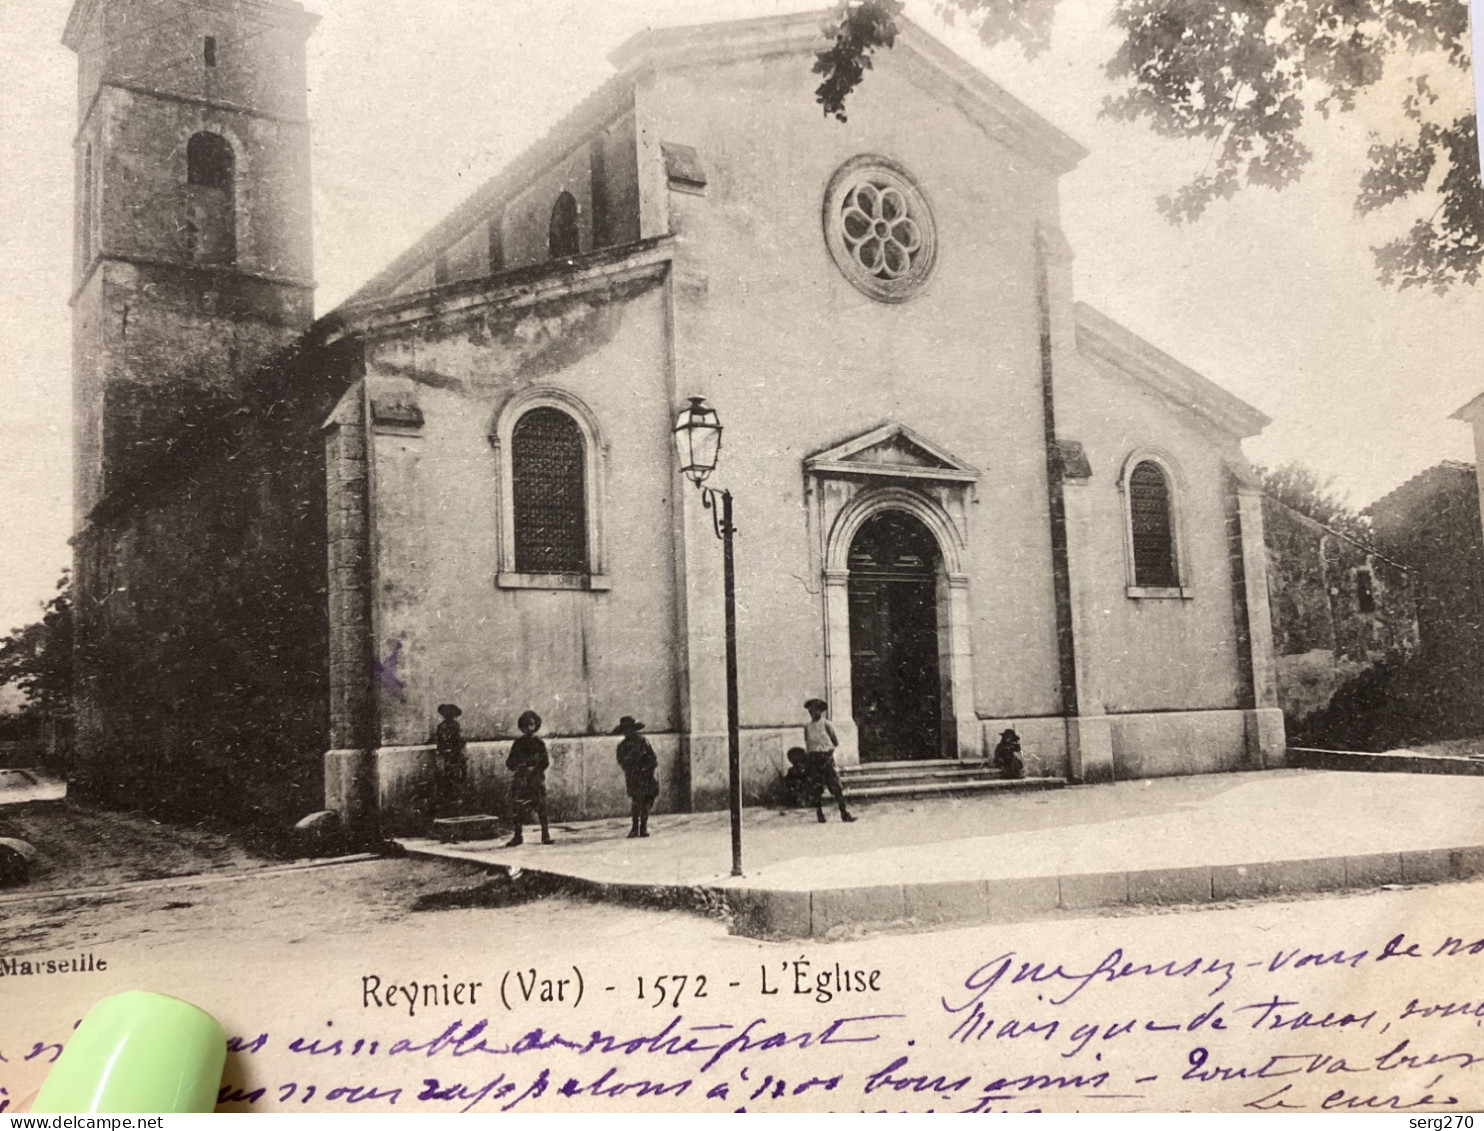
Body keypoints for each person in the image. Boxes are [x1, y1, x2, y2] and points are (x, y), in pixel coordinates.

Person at [803, 698, 855, 823]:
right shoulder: (807, 727)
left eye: (815, 709)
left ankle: (844, 813)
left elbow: (835, 741)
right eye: (810, 710)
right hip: (814, 759)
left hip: (826, 759)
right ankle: (819, 813)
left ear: (820, 711)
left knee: (836, 786)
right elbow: (808, 743)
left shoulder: (826, 724)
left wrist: (827, 755)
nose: (812, 712)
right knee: (816, 788)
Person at [506, 709, 552, 846]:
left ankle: (545, 834)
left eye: (531, 724)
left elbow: (545, 762)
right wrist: (520, 766)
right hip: (521, 780)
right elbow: (509, 762)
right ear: (521, 727)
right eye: (525, 725)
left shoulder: (539, 744)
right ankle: (517, 835)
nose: (528, 728)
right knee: (518, 807)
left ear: (536, 726)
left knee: (541, 806)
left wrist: (534, 768)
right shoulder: (518, 744)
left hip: (536, 780)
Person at [614, 716, 659, 838]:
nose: (628, 732)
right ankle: (634, 828)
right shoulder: (622, 746)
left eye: (630, 729)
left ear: (634, 729)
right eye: (625, 730)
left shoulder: (643, 742)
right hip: (633, 777)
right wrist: (632, 765)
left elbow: (653, 758)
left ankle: (643, 827)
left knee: (646, 802)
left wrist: (648, 769)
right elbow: (622, 761)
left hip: (647, 776)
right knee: (636, 802)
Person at [433, 703, 467, 817]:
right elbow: (442, 741)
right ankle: (449, 807)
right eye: (448, 714)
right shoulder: (442, 727)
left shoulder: (456, 725)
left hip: (456, 756)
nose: (451, 717)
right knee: (448, 780)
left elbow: (460, 740)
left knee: (457, 780)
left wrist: (460, 747)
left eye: (452, 715)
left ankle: (456, 806)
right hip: (448, 756)